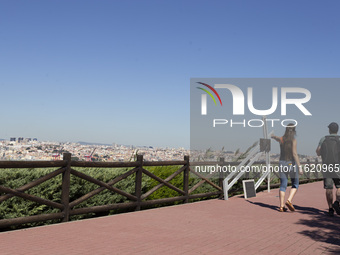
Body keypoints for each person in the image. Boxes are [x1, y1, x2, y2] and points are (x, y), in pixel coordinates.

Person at [271, 124, 302, 212]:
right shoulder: (294, 140)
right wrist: (299, 167)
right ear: (294, 131)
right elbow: (294, 154)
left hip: (282, 163)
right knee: (295, 184)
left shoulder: (281, 139)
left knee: (283, 185)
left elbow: (277, 138)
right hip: (291, 164)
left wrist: (273, 136)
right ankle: (289, 200)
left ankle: (281, 206)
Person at [316, 122, 340, 216]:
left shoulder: (323, 139)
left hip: (327, 166)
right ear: (337, 130)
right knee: (339, 186)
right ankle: (337, 202)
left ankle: (330, 208)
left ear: (329, 129)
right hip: (338, 166)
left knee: (328, 188)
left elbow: (318, 151)